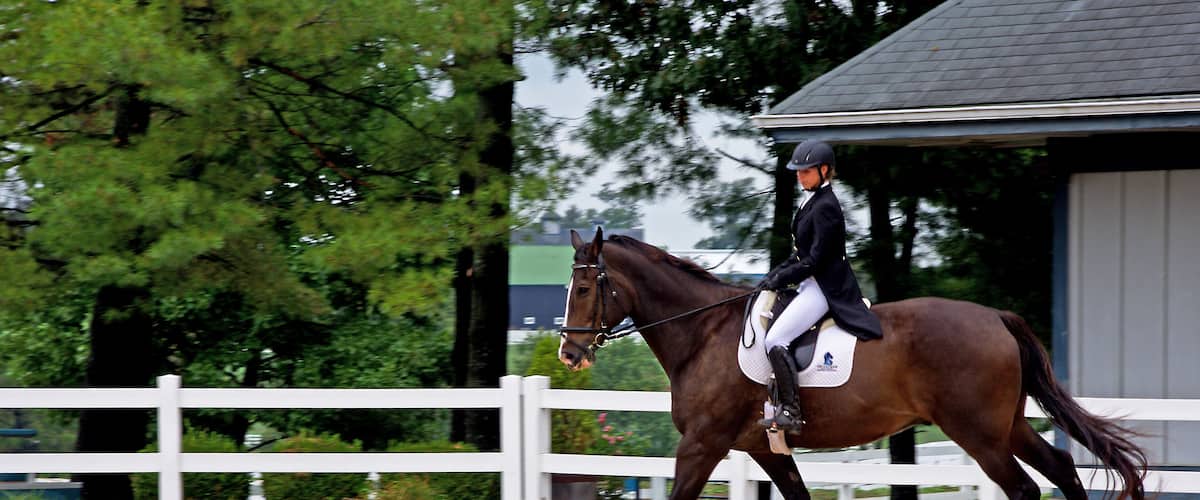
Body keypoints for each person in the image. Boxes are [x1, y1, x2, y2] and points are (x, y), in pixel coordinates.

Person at [757, 140, 884, 432]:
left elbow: (814, 261)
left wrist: (783, 278)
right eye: (798, 172)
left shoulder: (826, 206)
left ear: (824, 170)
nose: (800, 177)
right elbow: (800, 253)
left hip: (825, 288)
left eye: (806, 172)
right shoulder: (811, 200)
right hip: (810, 283)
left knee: (774, 339)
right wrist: (775, 275)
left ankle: (791, 411)